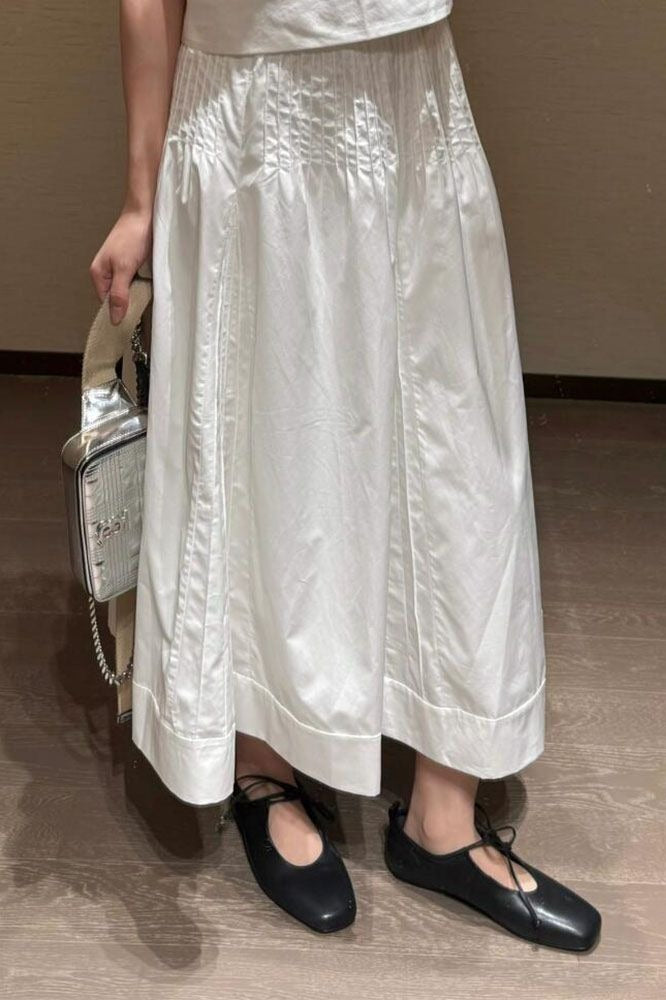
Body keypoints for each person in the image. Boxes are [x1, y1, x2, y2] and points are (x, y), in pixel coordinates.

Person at [90, 0, 601, 949]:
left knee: (453, 445)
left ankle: (443, 812)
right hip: (250, 105)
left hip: (410, 84)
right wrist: (140, 196)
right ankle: (264, 761)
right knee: (266, 445)